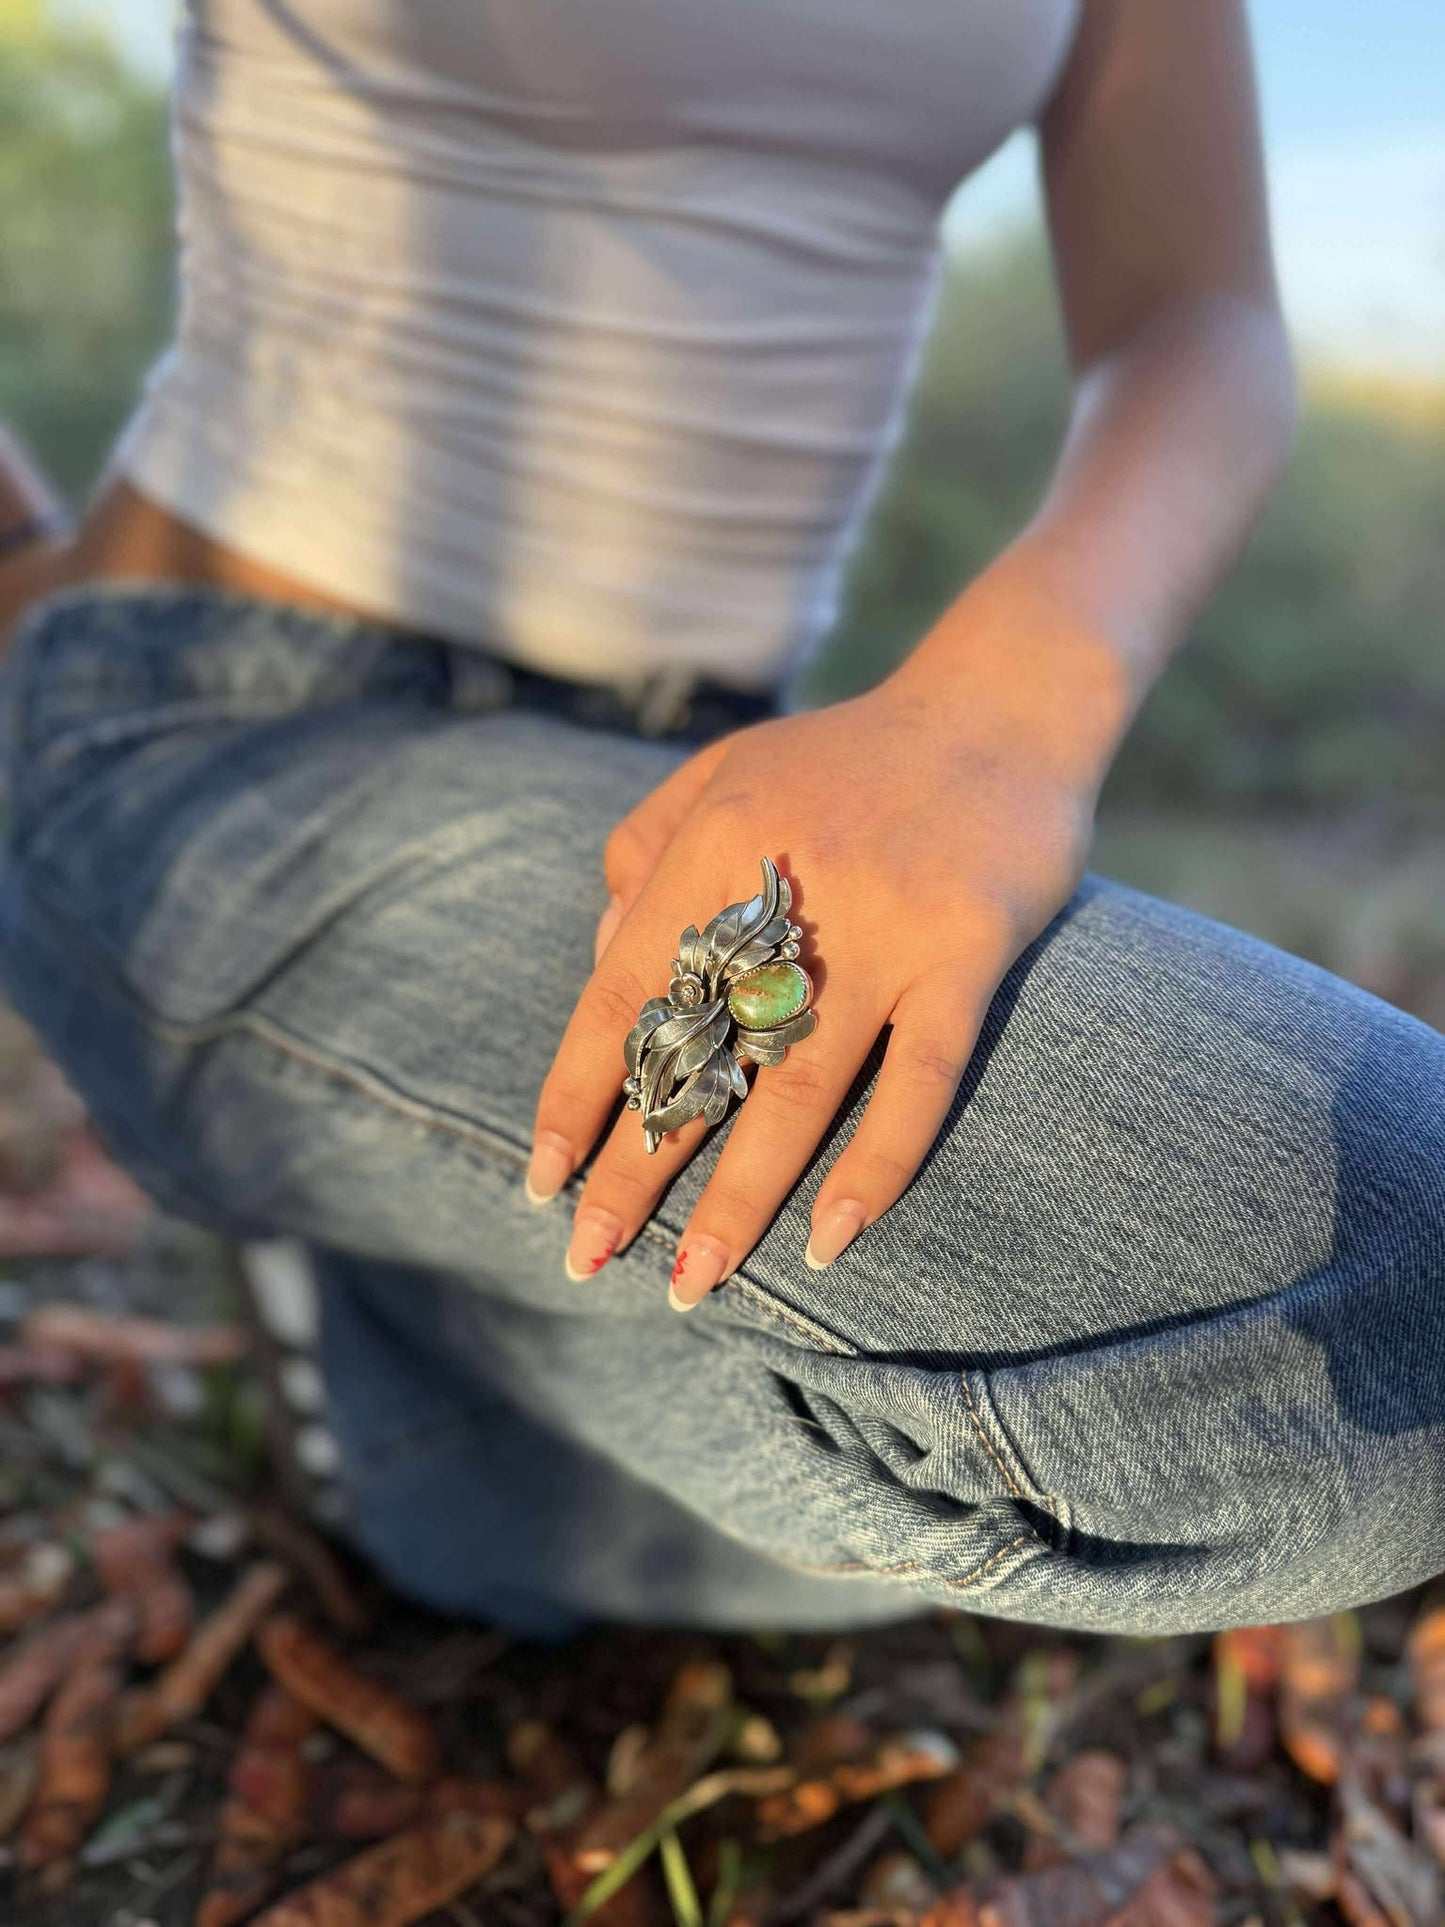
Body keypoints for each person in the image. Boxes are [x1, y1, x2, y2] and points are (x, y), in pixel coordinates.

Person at [0, 0, 1441, 1639]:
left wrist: (999, 707)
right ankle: (431, 1350)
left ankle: (415, 1356)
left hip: (710, 776)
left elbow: (1196, 317)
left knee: (1360, 1365)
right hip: (250, 742)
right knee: (1388, 1304)